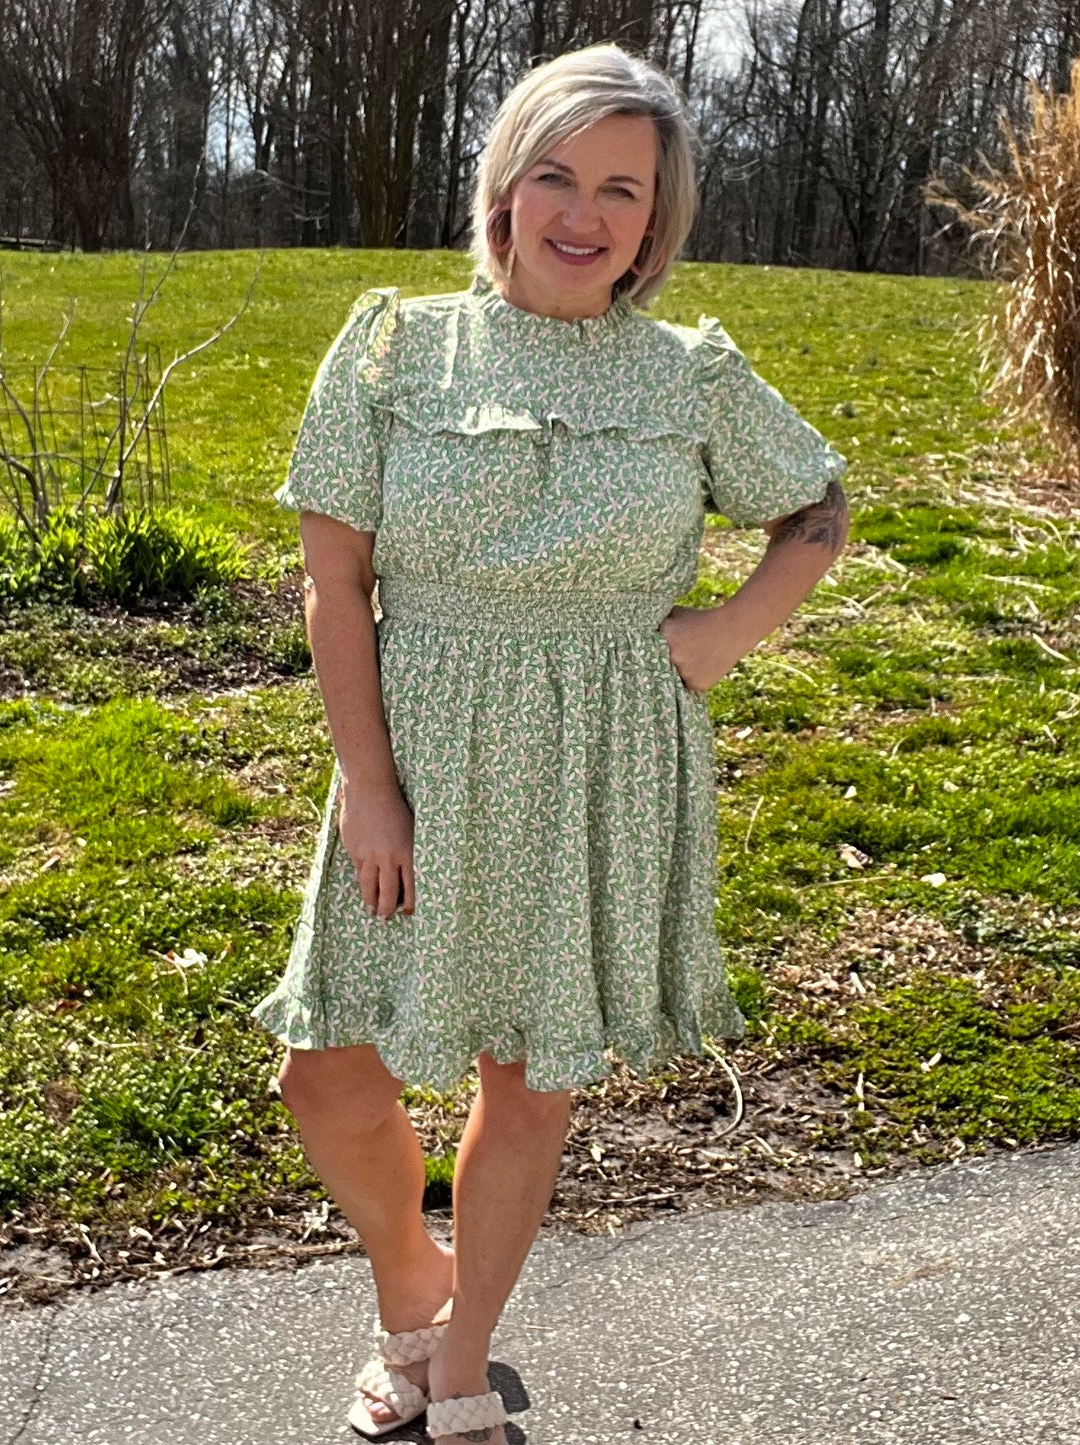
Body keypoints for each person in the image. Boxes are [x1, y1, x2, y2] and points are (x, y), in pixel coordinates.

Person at [250, 41, 850, 1445]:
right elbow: (333, 585)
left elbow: (813, 506)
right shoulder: (396, 346)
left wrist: (719, 636)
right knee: (327, 1064)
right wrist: (370, 785)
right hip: (422, 747)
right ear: (504, 191)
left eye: (622, 190)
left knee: (528, 1078)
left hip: (601, 758)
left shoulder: (689, 375)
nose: (585, 214)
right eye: (556, 176)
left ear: (657, 218)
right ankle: (413, 1280)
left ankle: (456, 1365)